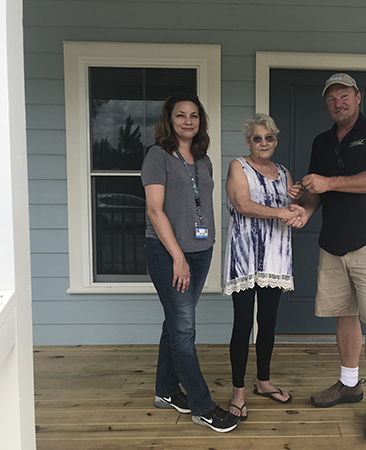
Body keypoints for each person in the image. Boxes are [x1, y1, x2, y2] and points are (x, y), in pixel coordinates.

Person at [288, 74, 366, 441]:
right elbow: (316, 193)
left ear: (357, 97)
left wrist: (328, 182)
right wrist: (303, 209)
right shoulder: (321, 142)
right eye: (332, 98)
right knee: (345, 316)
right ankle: (349, 384)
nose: (339, 102)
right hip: (333, 242)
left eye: (344, 95)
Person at [141, 92, 240, 433]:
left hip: (201, 252)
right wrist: (178, 257)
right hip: (169, 254)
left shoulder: (203, 158)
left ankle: (166, 390)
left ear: (200, 122)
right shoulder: (158, 156)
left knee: (175, 323)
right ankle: (202, 406)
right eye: (181, 115)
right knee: (184, 330)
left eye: (194, 115)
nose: (188, 121)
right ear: (169, 120)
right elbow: (155, 210)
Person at [223, 113, 304, 421]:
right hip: (246, 255)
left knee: (268, 322)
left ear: (275, 140)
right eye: (257, 138)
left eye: (268, 137)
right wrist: (283, 210)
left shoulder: (283, 172)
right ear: (248, 142)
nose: (263, 143)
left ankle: (263, 381)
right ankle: (238, 391)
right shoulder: (238, 166)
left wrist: (295, 203)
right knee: (243, 323)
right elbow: (242, 204)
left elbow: (289, 207)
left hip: (275, 256)